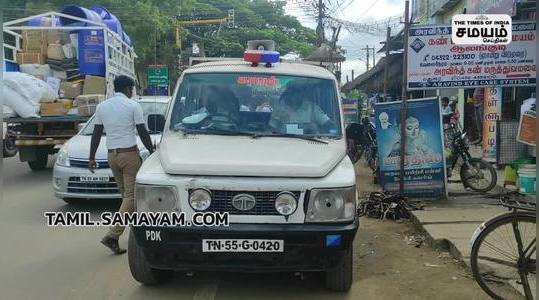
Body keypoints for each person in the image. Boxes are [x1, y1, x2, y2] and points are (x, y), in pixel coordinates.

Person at [88, 75, 154, 255]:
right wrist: (152, 151)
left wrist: (92, 157)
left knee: (126, 196)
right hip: (130, 156)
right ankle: (113, 235)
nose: (132, 92)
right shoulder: (133, 106)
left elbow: (96, 132)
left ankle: (131, 231)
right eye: (132, 89)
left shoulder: (103, 106)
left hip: (112, 157)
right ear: (127, 89)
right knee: (131, 198)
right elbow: (142, 131)